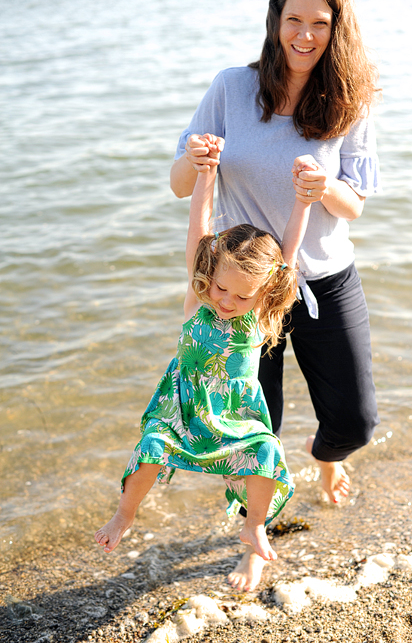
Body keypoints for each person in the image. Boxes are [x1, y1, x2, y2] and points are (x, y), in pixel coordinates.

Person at [169, 0, 380, 590]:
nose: (306, 34)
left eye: (320, 22)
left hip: (325, 280)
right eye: (295, 19)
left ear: (336, 29)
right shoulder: (232, 88)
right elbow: (181, 182)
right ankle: (253, 541)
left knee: (356, 419)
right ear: (275, 20)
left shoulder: (353, 100)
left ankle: (324, 458)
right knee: (253, 425)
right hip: (242, 290)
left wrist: (325, 187)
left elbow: (355, 204)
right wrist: (198, 158)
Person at [95, 134, 315, 591]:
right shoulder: (198, 300)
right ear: (208, 276)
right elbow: (199, 226)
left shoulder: (259, 314)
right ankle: (124, 513)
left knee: (266, 453)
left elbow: (289, 253)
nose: (227, 300)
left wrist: (302, 201)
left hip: (235, 415)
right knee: (151, 449)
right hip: (182, 408)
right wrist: (206, 174)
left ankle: (254, 524)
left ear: (262, 294)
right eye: (221, 288)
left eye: (240, 295)